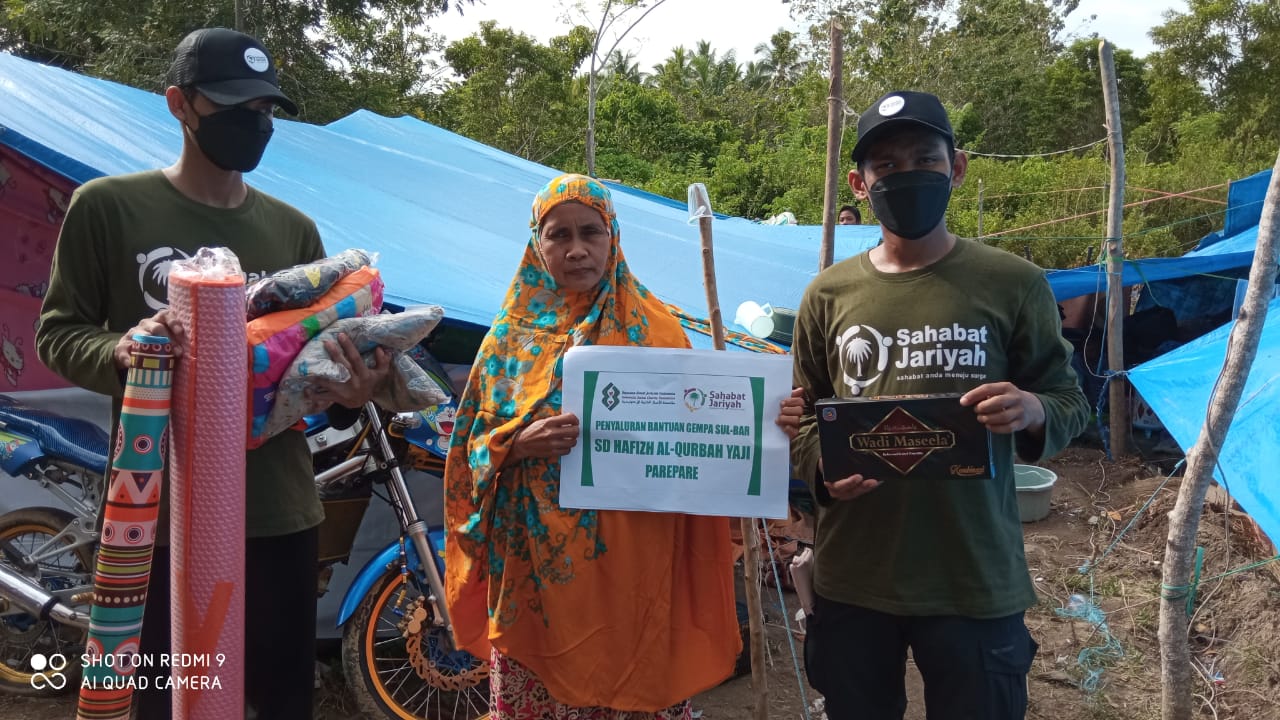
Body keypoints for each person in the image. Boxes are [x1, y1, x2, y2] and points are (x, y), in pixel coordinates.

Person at [36, 28, 387, 720]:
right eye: (235, 105)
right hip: (157, 512)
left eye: (265, 109)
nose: (255, 122)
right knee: (164, 699)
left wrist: (353, 393)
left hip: (279, 509)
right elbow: (58, 332)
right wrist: (124, 349)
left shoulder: (293, 230)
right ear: (179, 104)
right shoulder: (108, 207)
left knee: (277, 701)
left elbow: (318, 366)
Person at [444, 173, 804, 719]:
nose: (576, 249)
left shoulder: (656, 331)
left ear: (613, 236)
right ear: (536, 243)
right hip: (535, 582)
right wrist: (514, 446)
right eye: (558, 234)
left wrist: (768, 424)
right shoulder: (506, 342)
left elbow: (703, 432)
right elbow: (464, 458)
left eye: (590, 231)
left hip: (634, 571)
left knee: (637, 686)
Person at [789, 91, 1089, 720]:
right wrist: (822, 469)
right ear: (860, 184)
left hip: (971, 573)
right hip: (856, 573)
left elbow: (1069, 400)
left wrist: (1031, 409)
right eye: (887, 166)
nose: (907, 175)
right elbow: (806, 413)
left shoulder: (1013, 282)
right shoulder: (827, 295)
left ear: (956, 168)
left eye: (925, 159)